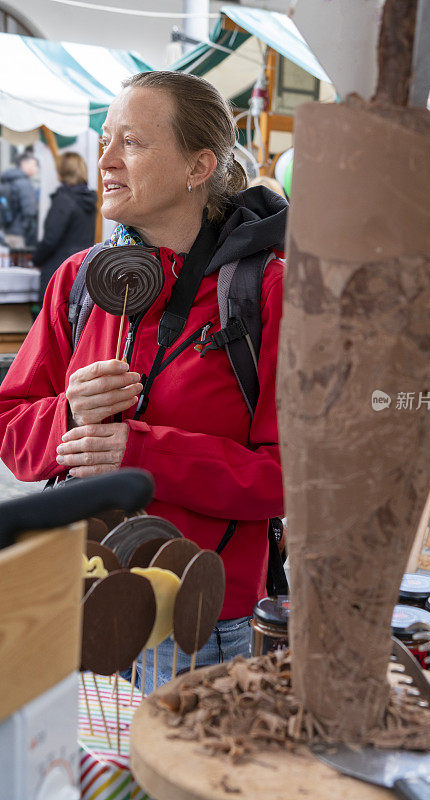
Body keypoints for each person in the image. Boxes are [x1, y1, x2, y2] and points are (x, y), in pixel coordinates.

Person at [0, 71, 286, 689]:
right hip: (76, 596)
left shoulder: (268, 290)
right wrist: (68, 415)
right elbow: (12, 433)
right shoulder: (79, 280)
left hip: (198, 625)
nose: (106, 160)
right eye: (105, 139)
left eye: (131, 142)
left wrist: (142, 452)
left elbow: (293, 477)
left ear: (198, 165)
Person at [34, 152, 97, 304]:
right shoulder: (89, 200)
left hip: (59, 270)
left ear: (62, 172)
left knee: (51, 323)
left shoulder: (64, 200)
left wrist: (36, 259)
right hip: (82, 269)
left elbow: (51, 239)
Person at [0, 151, 39, 246]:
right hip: (18, 234)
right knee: (18, 260)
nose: (36, 168)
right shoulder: (24, 183)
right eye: (34, 165)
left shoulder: (7, 179)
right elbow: (30, 210)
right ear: (24, 164)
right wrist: (28, 232)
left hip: (5, 230)